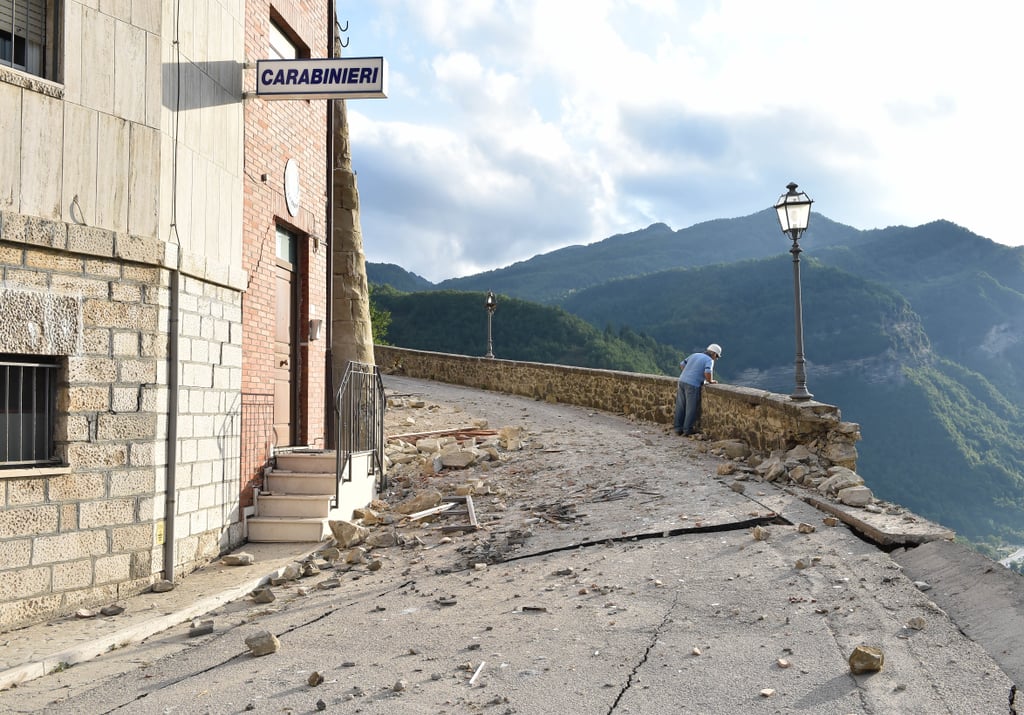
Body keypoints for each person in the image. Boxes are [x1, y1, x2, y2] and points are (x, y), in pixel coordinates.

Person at [673, 343, 722, 436]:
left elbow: (682, 364)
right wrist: (710, 381)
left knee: (681, 405)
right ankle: (687, 430)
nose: (716, 359)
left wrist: (688, 373)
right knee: (691, 408)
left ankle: (677, 428)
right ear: (714, 354)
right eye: (717, 357)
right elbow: (707, 372)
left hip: (682, 380)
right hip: (693, 384)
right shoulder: (709, 360)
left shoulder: (695, 355)